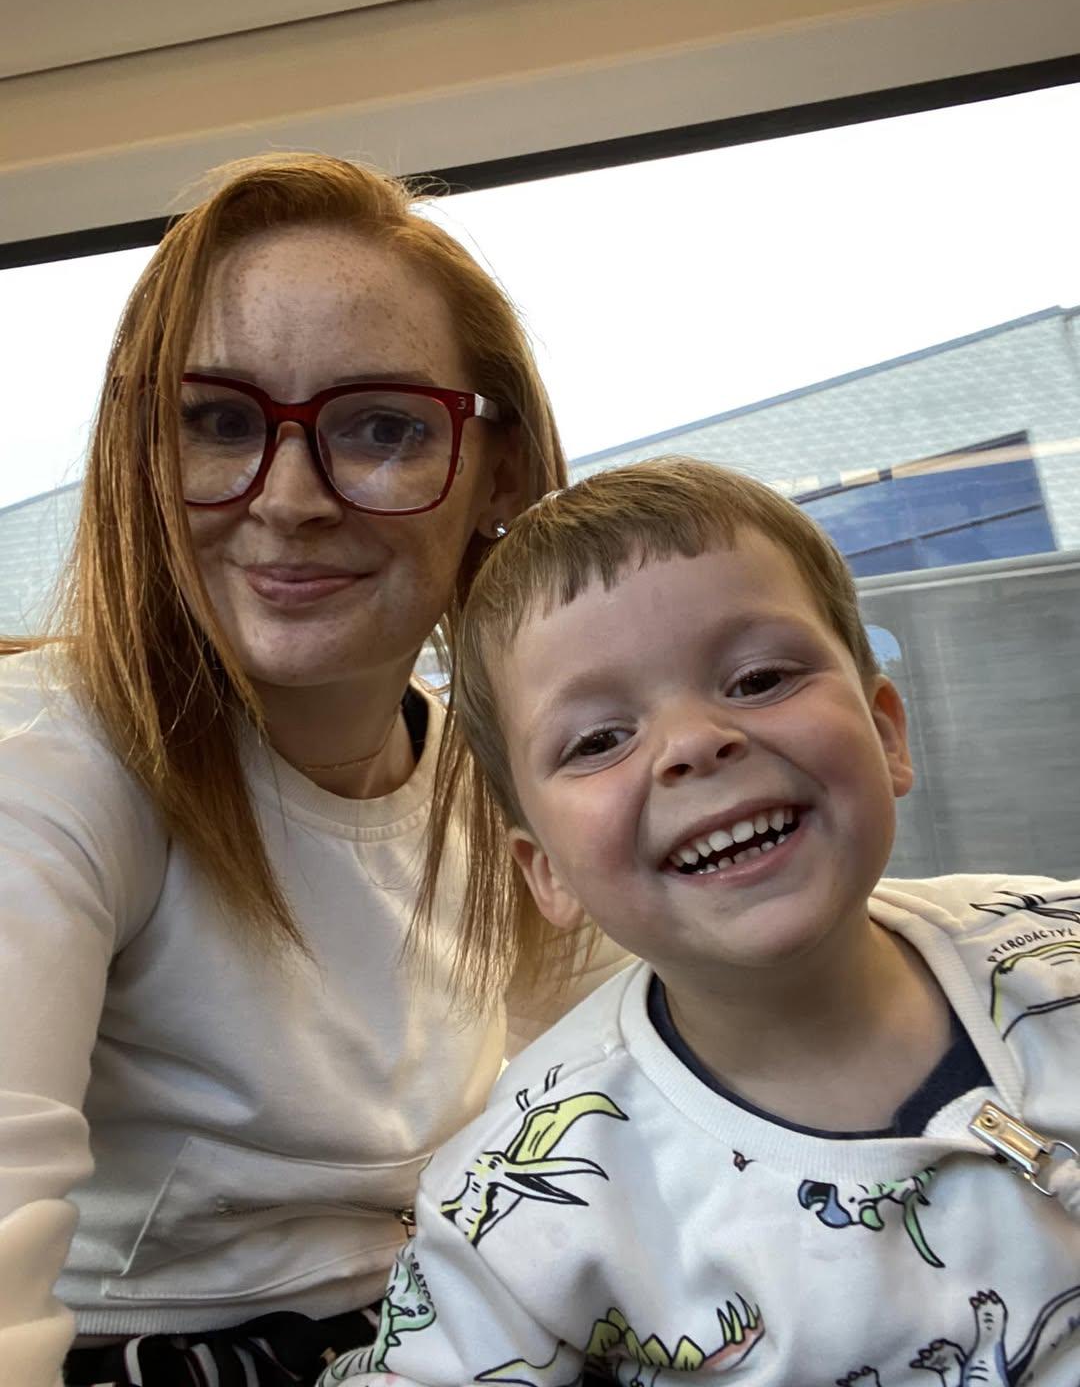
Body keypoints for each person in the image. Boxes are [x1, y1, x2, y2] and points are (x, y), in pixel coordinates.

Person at [0, 153, 627, 1387]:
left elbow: (635, 1117)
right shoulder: (50, 763)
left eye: (382, 427)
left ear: (497, 472)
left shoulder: (505, 784)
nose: (289, 500)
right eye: (218, 422)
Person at [321, 458, 1080, 1387]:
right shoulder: (521, 1199)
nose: (692, 743)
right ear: (546, 871)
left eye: (758, 678)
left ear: (886, 732)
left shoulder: (1058, 945)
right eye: (599, 739)